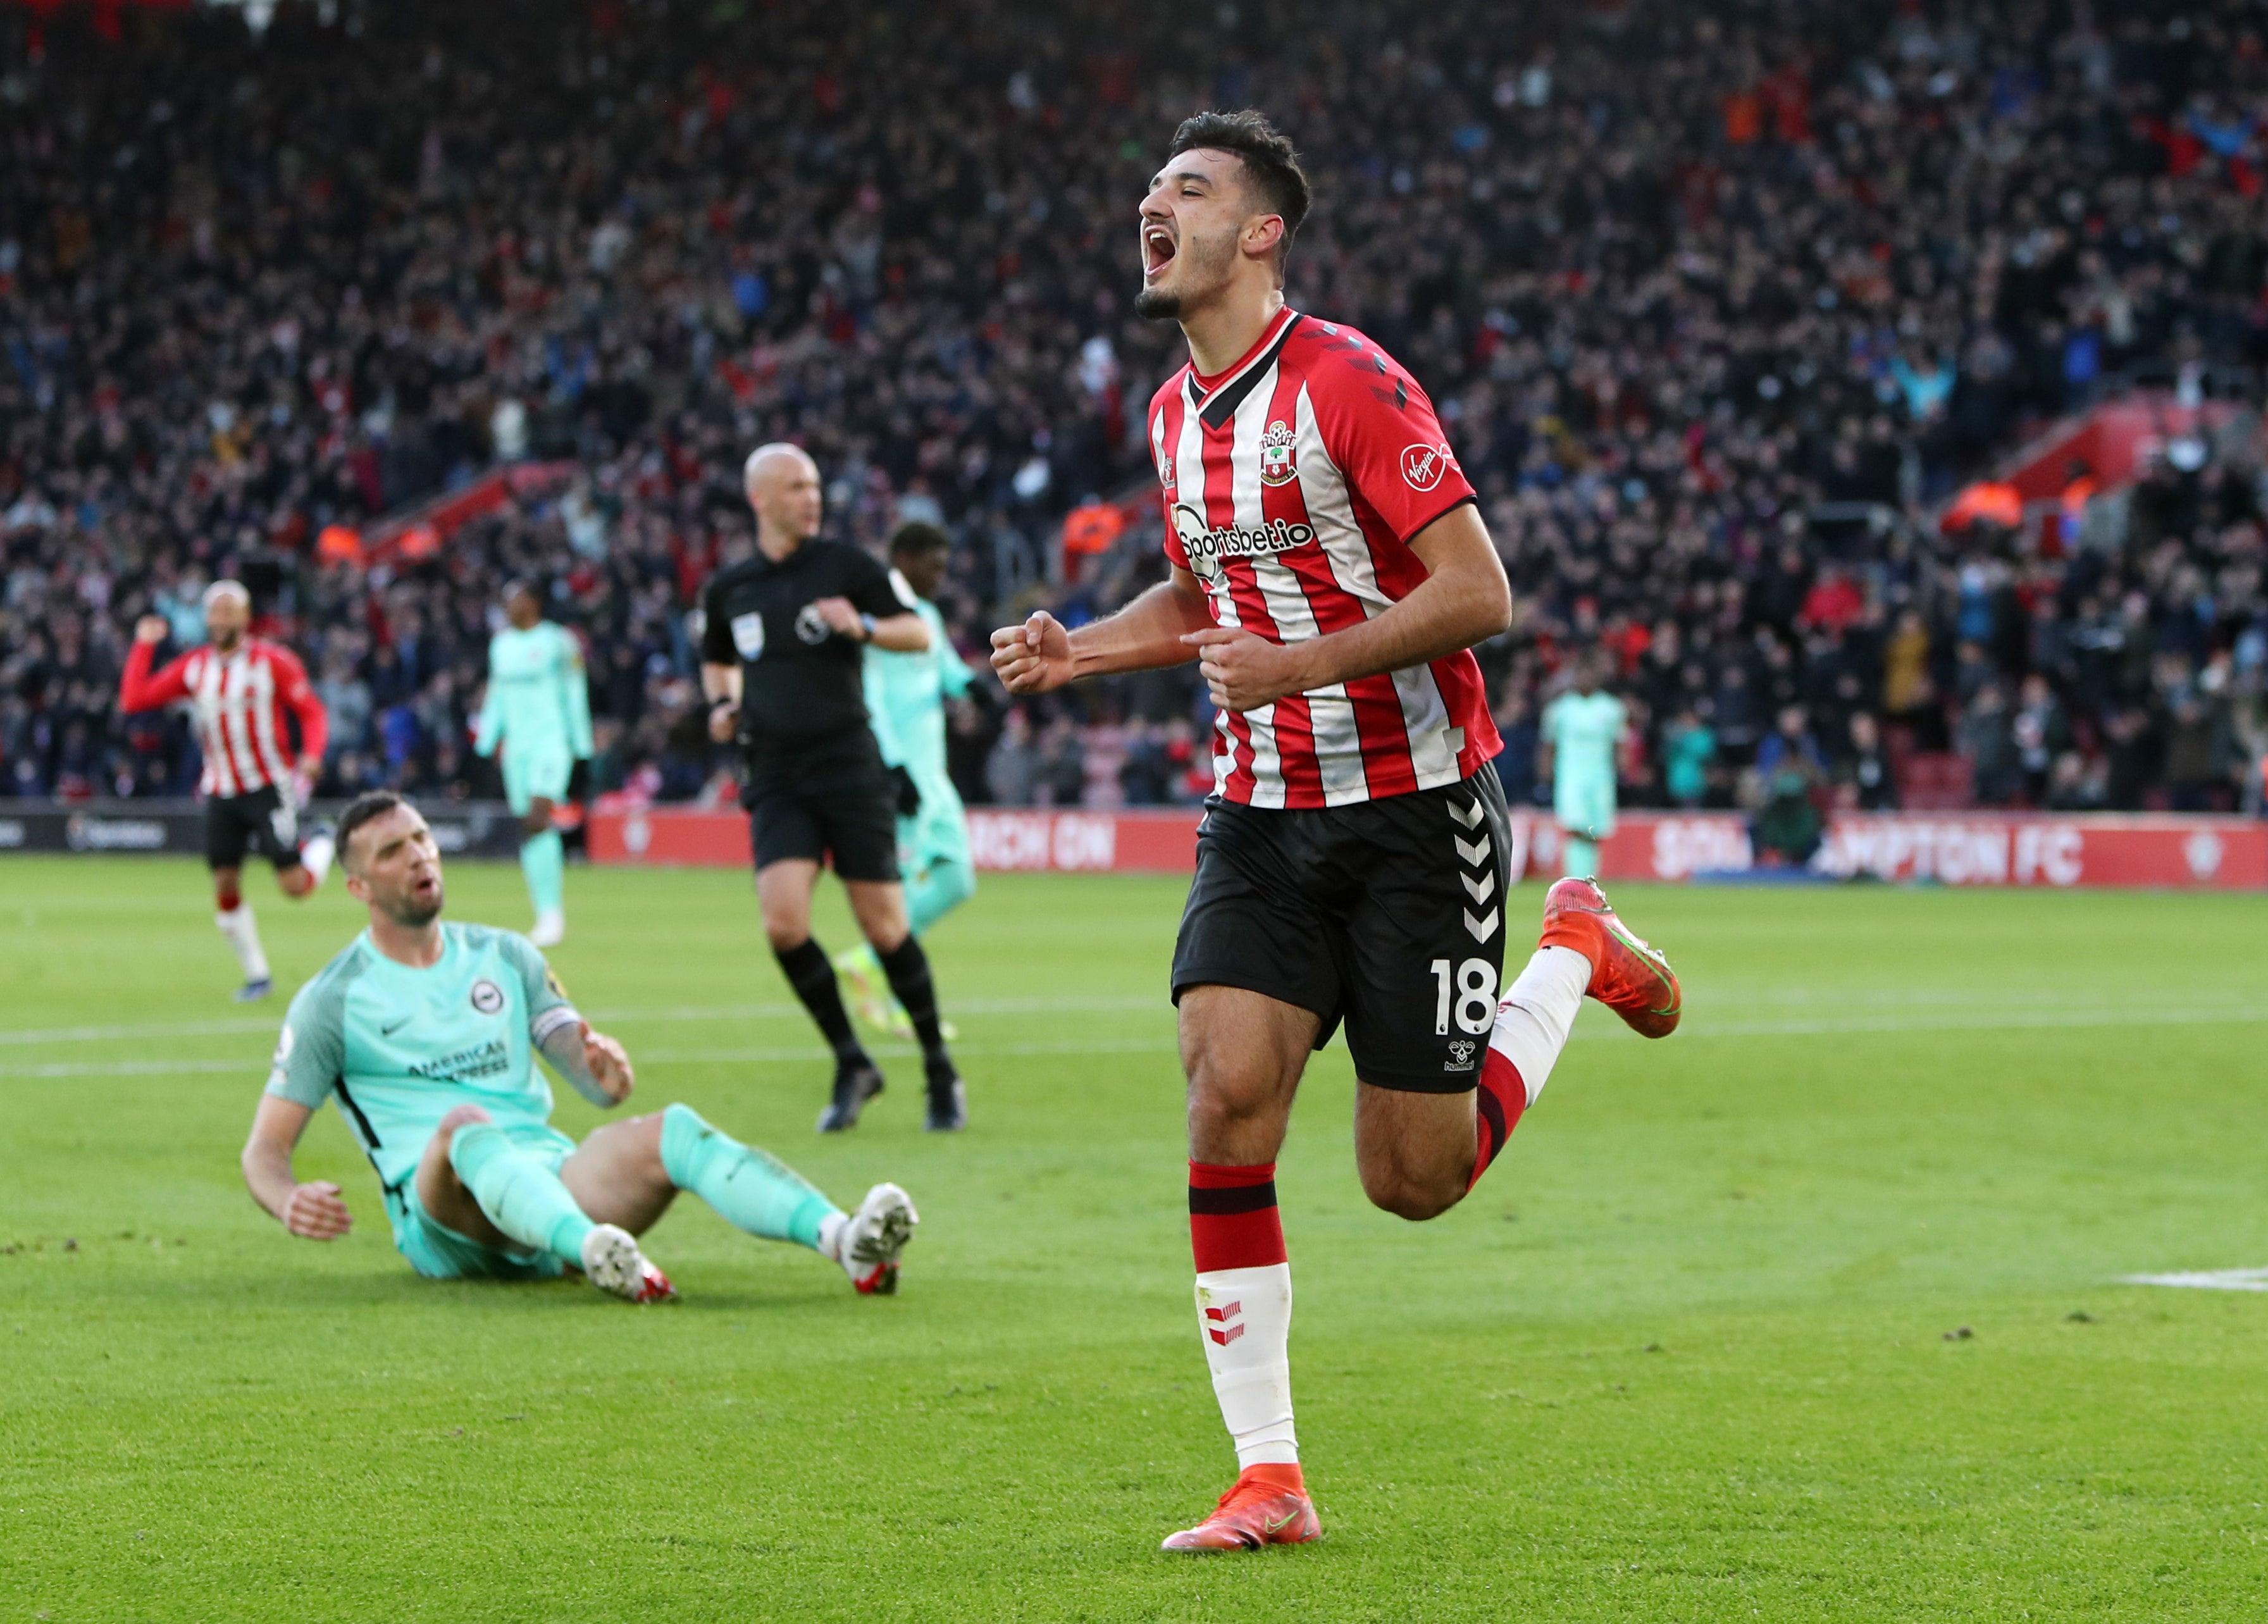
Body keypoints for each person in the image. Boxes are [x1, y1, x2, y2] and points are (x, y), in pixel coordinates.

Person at [991, 108, 1682, 1552]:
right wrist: (1086, 650)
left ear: (1259, 231)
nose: (1149, 205)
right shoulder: (1175, 412)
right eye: (1146, 186)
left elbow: (1478, 588)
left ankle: (1574, 951)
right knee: (1226, 1088)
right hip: (1260, 807)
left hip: (1418, 811)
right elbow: (1200, 599)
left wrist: (1303, 663)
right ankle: (1269, 1473)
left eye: (1184, 188)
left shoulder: (1348, 379)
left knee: (1409, 1179)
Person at [239, 790, 917, 1298]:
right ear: (358, 886)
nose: (418, 854)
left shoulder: (506, 956)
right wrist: (287, 1197)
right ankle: (594, 1251)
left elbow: (590, 1081)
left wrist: (606, 1073)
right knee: (465, 1126)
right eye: (393, 850)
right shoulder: (333, 999)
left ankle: (847, 1241)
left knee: (674, 1130)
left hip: (548, 1186)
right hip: (444, 1220)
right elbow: (264, 1151)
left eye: (421, 838)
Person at [700, 443, 967, 1134]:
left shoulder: (849, 567)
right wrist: (723, 707)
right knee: (783, 923)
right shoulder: (731, 587)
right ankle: (852, 1060)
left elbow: (919, 634)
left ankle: (939, 1066)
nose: (810, 497)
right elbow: (719, 662)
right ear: (760, 498)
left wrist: (867, 626)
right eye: (795, 487)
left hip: (850, 766)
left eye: (815, 485)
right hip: (777, 774)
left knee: (884, 926)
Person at [118, 580, 335, 1001]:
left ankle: (323, 840)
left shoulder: (274, 661)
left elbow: (311, 711)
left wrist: (312, 753)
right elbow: (134, 698)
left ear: (245, 616)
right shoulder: (195, 666)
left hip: (268, 785)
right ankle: (258, 975)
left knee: (294, 886)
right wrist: (143, 645)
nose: (220, 619)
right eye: (214, 612)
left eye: (228, 611)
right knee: (224, 881)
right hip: (220, 790)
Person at [836, 522, 978, 1041]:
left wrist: (976, 688)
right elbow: (867, 693)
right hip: (899, 774)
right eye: (932, 566)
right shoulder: (877, 621)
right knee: (901, 889)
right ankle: (894, 990)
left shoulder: (928, 617)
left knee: (958, 879)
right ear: (902, 559)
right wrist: (891, 765)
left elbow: (947, 673)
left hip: (933, 775)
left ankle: (867, 962)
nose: (939, 577)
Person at [474, 581, 593, 947]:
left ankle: (551, 915)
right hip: (517, 748)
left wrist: (581, 742)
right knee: (529, 827)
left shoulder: (559, 642)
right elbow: (497, 693)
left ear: (534, 603)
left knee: (540, 819)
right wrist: (486, 738)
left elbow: (575, 689)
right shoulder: (501, 645)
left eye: (515, 600)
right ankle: (544, 910)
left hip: (550, 742)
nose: (508, 607)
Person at [1538, 654, 1628, 878]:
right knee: (1575, 826)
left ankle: (1589, 878)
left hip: (1601, 777)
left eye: (1590, 675)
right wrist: (1544, 773)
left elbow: (1620, 745)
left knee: (1594, 831)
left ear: (1598, 678)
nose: (1585, 679)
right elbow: (1548, 745)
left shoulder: (1612, 709)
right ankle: (1575, 876)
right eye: (1581, 674)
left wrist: (1623, 771)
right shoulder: (1559, 710)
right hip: (1571, 775)